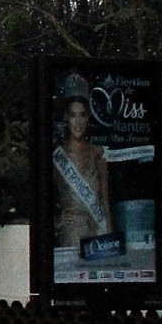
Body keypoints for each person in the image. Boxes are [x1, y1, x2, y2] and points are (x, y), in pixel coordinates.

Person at [50, 76, 111, 253]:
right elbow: (45, 197)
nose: (77, 122)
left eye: (82, 115)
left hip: (97, 233)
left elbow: (105, 202)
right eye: (73, 115)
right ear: (67, 118)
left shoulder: (98, 153)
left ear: (88, 118)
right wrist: (56, 221)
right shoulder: (57, 157)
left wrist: (110, 238)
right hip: (71, 236)